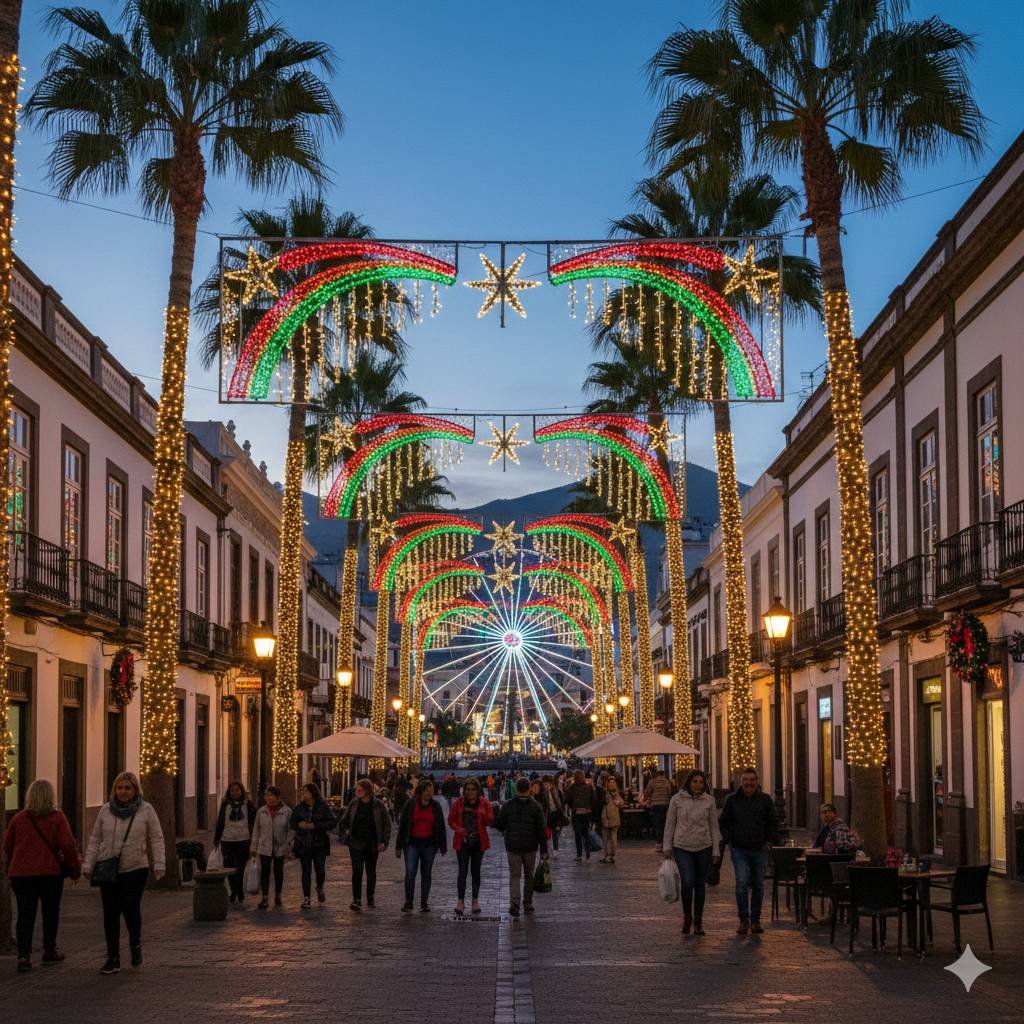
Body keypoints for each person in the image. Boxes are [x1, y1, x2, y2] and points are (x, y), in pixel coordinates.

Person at [82, 771, 165, 975]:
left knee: (130, 907)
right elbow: (95, 839)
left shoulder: (146, 810)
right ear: (114, 789)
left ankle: (135, 943)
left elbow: (156, 838)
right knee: (110, 914)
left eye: (127, 788)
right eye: (120, 788)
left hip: (136, 867)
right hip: (108, 867)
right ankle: (113, 957)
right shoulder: (105, 811)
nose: (123, 792)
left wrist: (159, 864)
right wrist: (88, 865)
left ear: (135, 790)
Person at [3, 778, 82, 972]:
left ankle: (23, 955)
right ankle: (49, 949)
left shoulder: (19, 818)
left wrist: (14, 864)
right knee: (50, 913)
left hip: (22, 874)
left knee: (25, 915)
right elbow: (68, 845)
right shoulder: (57, 818)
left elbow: (8, 845)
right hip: (50, 873)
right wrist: (75, 868)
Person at [718, 768, 778, 936]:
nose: (749, 783)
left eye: (752, 780)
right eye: (746, 780)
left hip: (759, 848)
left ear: (756, 781)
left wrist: (768, 840)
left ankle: (756, 920)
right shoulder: (732, 800)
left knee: (758, 885)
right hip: (739, 848)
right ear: (741, 782)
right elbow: (723, 822)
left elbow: (772, 822)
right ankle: (744, 919)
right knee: (742, 882)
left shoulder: (765, 800)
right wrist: (730, 837)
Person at [663, 769, 721, 935]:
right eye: (695, 781)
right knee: (687, 881)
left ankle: (698, 920)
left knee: (699, 884)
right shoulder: (677, 800)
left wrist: (716, 850)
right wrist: (667, 846)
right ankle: (687, 916)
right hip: (682, 846)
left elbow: (714, 827)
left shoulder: (709, 801)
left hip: (704, 846)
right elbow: (670, 824)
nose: (698, 785)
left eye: (701, 782)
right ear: (689, 782)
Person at [495, 777, 548, 916]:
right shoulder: (536, 806)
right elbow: (541, 830)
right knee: (529, 875)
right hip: (530, 846)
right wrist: (544, 849)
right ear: (529, 788)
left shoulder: (508, 805)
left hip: (513, 846)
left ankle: (515, 903)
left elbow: (499, 825)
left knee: (515, 875)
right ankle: (528, 903)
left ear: (516, 789)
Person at [339, 777, 391, 911]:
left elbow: (386, 824)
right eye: (356, 789)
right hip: (356, 843)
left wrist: (384, 841)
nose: (357, 792)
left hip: (372, 843)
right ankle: (356, 899)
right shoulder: (354, 804)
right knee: (357, 871)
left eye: (360, 789)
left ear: (367, 790)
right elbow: (344, 820)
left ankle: (370, 897)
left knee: (371, 871)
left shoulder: (378, 805)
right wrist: (345, 833)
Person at [395, 778, 447, 913]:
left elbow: (440, 826)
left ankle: (424, 902)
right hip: (412, 843)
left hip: (429, 844)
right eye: (428, 791)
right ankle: (409, 902)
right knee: (410, 873)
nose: (431, 793)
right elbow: (403, 826)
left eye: (432, 791)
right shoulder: (411, 804)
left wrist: (442, 845)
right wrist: (398, 846)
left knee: (426, 874)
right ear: (422, 791)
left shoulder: (435, 806)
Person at [448, 777, 494, 915]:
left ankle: (475, 900)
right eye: (468, 790)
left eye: (473, 789)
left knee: (475, 872)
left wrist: (484, 814)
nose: (470, 792)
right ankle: (460, 901)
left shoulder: (484, 803)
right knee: (462, 872)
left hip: (479, 842)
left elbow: (491, 821)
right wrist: (459, 829)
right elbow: (451, 820)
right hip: (462, 842)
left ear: (477, 790)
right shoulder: (458, 803)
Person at [290, 783, 337, 909]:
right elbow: (292, 822)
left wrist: (316, 825)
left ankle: (320, 887)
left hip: (319, 844)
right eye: (302, 792)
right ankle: (306, 898)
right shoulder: (299, 808)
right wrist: (299, 824)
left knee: (320, 870)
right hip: (304, 843)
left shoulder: (322, 807)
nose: (303, 794)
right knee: (306, 871)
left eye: (305, 792)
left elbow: (332, 821)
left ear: (312, 793)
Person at [213, 781, 255, 905]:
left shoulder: (248, 805)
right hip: (227, 840)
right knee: (229, 868)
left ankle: (239, 891)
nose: (234, 792)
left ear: (241, 791)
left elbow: (253, 822)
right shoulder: (225, 805)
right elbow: (220, 822)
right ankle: (234, 891)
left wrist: (254, 839)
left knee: (240, 869)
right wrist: (217, 839)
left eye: (237, 790)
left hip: (243, 840)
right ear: (229, 792)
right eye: (232, 791)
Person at [250, 785, 293, 909]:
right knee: (265, 871)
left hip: (280, 846)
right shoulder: (262, 811)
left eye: (270, 795)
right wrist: (254, 847)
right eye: (266, 795)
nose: (268, 798)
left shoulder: (286, 811)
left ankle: (278, 895)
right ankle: (264, 897)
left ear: (278, 797)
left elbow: (291, 830)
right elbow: (256, 830)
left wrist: (288, 844)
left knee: (278, 871)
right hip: (264, 846)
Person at [565, 769, 597, 861]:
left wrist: (572, 806)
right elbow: (594, 800)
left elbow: (567, 799)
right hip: (587, 812)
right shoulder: (589, 787)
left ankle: (579, 854)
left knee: (578, 835)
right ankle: (587, 849)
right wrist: (589, 807)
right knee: (586, 833)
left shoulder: (572, 787)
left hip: (576, 813)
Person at [644, 769, 674, 847]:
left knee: (657, 823)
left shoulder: (652, 782)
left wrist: (647, 798)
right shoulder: (667, 782)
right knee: (664, 822)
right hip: (665, 804)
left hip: (655, 804)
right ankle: (665, 841)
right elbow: (669, 792)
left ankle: (659, 841)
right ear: (663, 774)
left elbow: (647, 792)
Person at [600, 777, 624, 865]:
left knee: (606, 838)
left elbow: (603, 802)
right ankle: (612, 855)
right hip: (615, 816)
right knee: (614, 837)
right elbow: (621, 803)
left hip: (606, 816)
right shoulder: (616, 793)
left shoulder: (606, 793)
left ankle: (607, 855)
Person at [539, 775, 564, 857]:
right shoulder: (541, 793)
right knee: (545, 834)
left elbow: (558, 803)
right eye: (545, 785)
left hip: (554, 815)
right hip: (546, 815)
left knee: (555, 833)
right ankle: (546, 850)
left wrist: (560, 813)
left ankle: (555, 850)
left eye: (549, 784)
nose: (547, 786)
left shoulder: (555, 791)